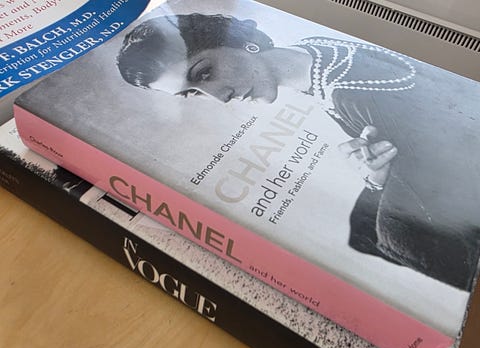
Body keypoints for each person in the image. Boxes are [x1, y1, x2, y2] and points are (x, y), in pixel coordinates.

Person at [117, 13, 480, 291]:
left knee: (383, 236)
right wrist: (377, 176)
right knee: (361, 228)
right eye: (192, 93)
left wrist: (378, 184)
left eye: (204, 73)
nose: (219, 98)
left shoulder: (349, 95)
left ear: (235, 40)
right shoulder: (313, 48)